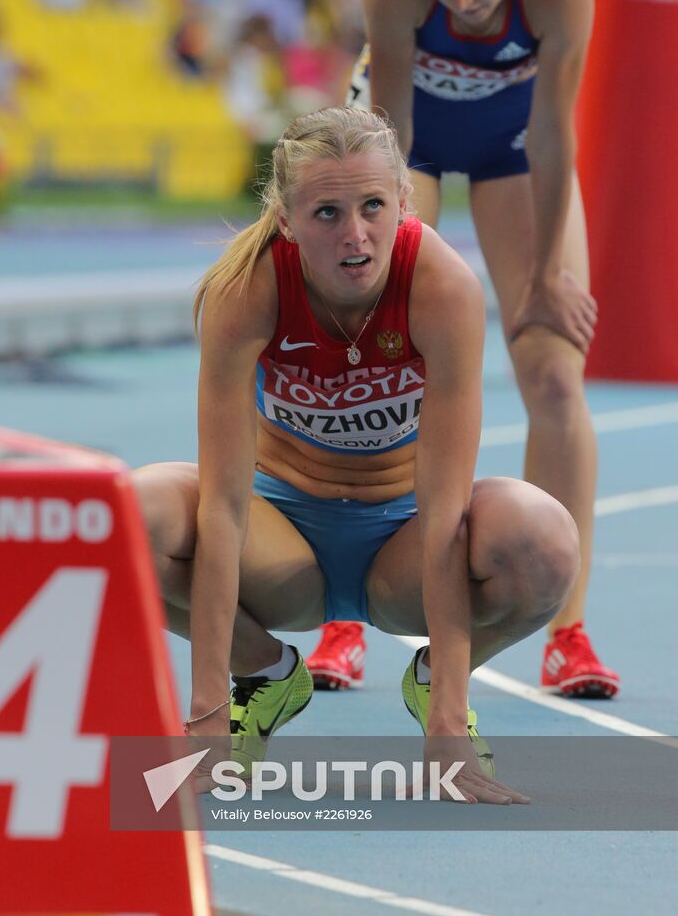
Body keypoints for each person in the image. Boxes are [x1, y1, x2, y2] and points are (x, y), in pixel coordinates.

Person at [134, 105, 579, 803]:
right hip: (279, 541)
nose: (355, 236)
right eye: (326, 214)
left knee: (543, 539)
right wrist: (206, 712)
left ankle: (434, 681)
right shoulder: (243, 291)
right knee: (131, 516)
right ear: (285, 219)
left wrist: (445, 725)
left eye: (372, 206)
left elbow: (444, 513)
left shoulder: (442, 289)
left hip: (403, 545)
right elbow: (221, 508)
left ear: (404, 201)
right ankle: (268, 673)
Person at [335, 0, 619, 698]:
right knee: (372, 353)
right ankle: (340, 616)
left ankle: (566, 630)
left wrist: (543, 280)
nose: (458, 0)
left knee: (555, 370)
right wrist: (380, 289)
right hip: (407, 147)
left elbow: (555, 132)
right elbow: (385, 147)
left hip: (514, 152)